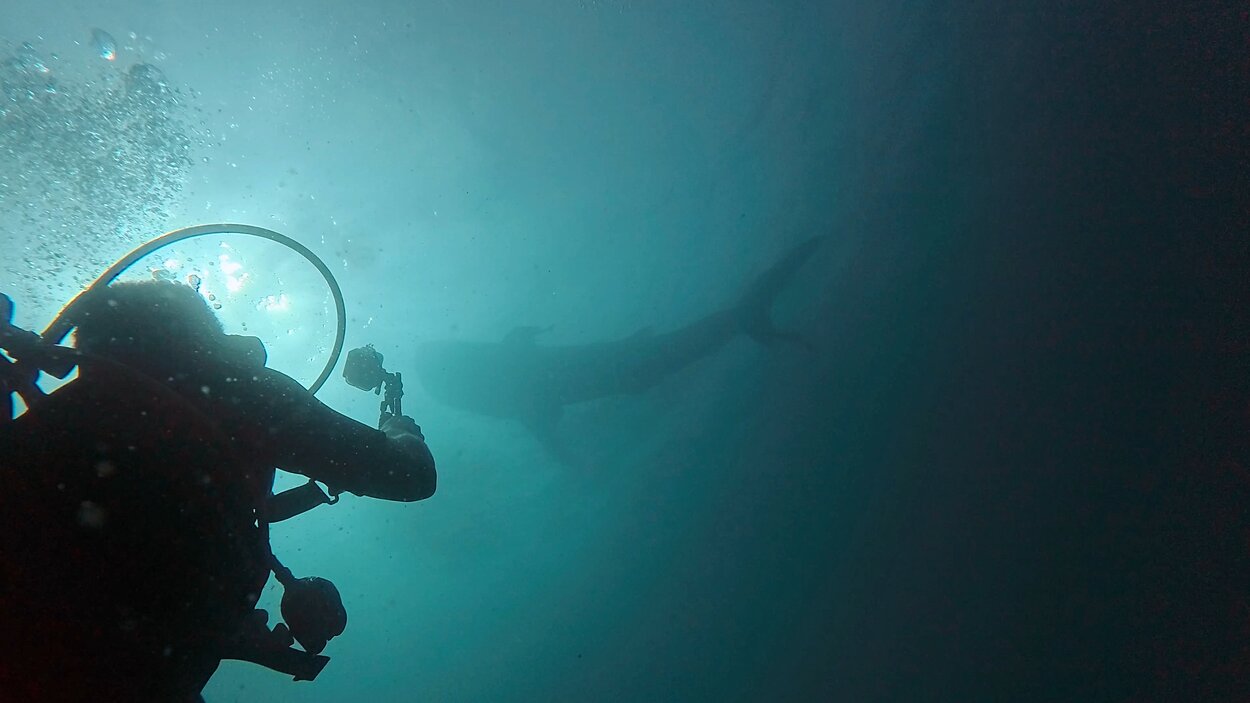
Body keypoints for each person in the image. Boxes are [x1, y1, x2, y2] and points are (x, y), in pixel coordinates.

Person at [0, 280, 435, 702]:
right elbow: (410, 476)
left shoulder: (48, 427)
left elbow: (97, 571)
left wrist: (238, 639)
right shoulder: (234, 391)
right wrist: (401, 429)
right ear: (201, 340)